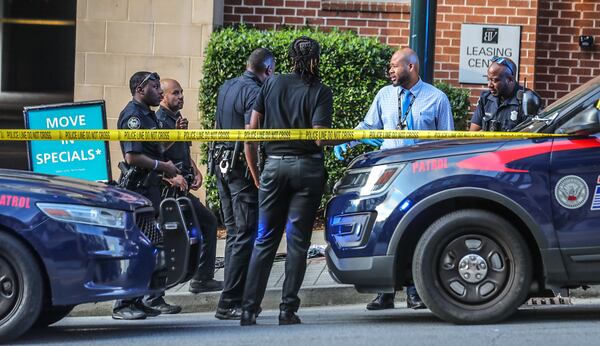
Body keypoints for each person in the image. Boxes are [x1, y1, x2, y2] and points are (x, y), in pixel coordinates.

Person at [334, 48, 454, 311]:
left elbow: (448, 141)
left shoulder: (437, 99)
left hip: (422, 174)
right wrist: (348, 137)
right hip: (388, 175)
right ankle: (383, 294)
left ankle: (415, 292)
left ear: (411, 67)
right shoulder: (384, 95)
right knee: (384, 230)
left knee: (418, 228)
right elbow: (368, 126)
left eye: (394, 66)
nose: (390, 70)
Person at [240, 36, 333, 326]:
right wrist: (349, 136)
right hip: (307, 170)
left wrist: (257, 173)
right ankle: (287, 309)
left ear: (291, 59)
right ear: (316, 59)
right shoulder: (320, 90)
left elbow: (252, 131)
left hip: (274, 167)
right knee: (297, 242)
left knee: (264, 239)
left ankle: (249, 309)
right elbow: (319, 137)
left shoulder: (271, 83)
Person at [213, 48, 275, 320]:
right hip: (239, 170)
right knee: (244, 234)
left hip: (221, 166)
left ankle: (229, 298)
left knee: (235, 233)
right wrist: (256, 175)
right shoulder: (255, 92)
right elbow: (250, 137)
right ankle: (229, 302)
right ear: (268, 70)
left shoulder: (227, 86)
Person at [113, 71, 179, 320]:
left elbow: (156, 149)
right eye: (154, 87)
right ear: (140, 89)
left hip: (150, 190)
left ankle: (139, 300)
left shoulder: (148, 115)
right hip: (136, 191)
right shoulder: (133, 117)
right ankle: (123, 304)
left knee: (152, 245)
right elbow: (132, 157)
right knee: (142, 245)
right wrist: (164, 168)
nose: (160, 92)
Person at [154, 78, 222, 299]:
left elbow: (183, 150)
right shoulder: (159, 121)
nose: (181, 96)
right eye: (175, 93)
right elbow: (155, 156)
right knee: (168, 237)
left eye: (182, 92)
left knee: (207, 223)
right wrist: (172, 178)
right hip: (167, 191)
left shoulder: (177, 119)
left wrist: (196, 170)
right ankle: (157, 292)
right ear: (163, 96)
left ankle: (202, 278)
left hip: (182, 189)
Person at [469, 56, 531, 132]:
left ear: (510, 80)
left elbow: (529, 138)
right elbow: (473, 134)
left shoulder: (527, 100)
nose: (489, 85)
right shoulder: (485, 98)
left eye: (494, 80)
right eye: (488, 79)